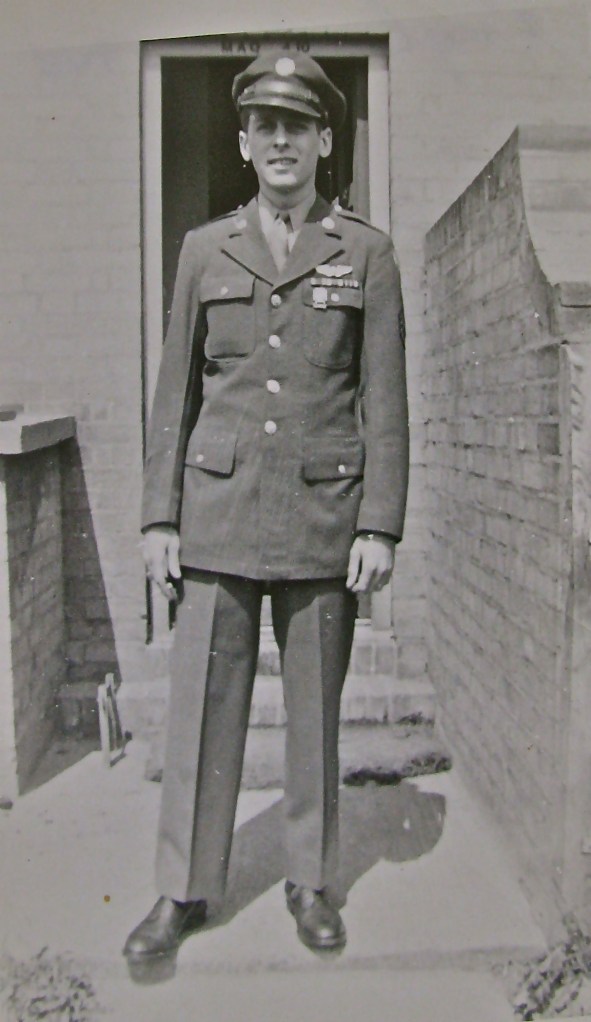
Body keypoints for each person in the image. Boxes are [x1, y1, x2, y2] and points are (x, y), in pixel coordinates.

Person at [123, 50, 409, 965]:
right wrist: (159, 517)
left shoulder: (366, 251)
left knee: (317, 720)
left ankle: (310, 881)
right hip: (217, 514)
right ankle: (183, 889)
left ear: (325, 141)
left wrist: (378, 522)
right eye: (264, 127)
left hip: (324, 520)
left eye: (299, 126)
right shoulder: (205, 250)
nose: (281, 142)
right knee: (203, 711)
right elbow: (175, 392)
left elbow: (384, 397)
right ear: (244, 145)